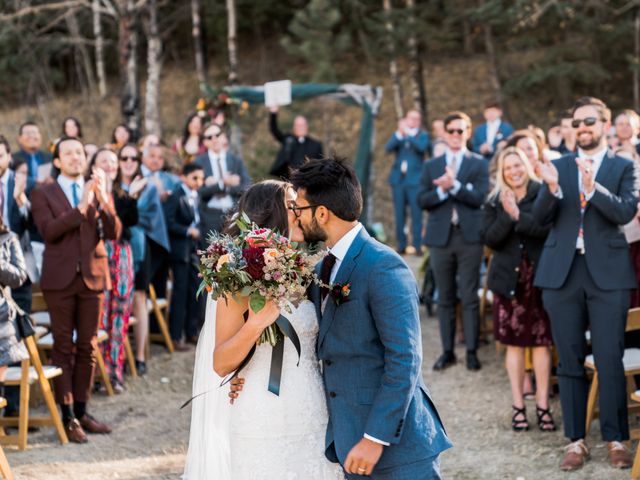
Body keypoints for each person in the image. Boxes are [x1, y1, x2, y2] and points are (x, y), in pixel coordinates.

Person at [534, 96, 638, 471]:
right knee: (571, 360)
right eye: (576, 122)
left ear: (605, 126)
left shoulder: (624, 166)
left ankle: (615, 438)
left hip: (609, 273)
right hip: (561, 274)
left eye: (589, 121)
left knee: (610, 358)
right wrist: (550, 189)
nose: (582, 127)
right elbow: (538, 219)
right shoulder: (555, 166)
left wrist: (593, 190)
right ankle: (575, 440)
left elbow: (626, 211)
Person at [31, 136, 122, 443]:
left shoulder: (96, 189)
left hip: (93, 278)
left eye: (80, 153)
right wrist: (83, 205)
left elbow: (113, 232)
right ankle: (66, 416)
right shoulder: (43, 192)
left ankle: (83, 412)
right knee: (63, 348)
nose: (75, 157)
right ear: (57, 161)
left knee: (87, 347)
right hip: (59, 280)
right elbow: (50, 231)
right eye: (68, 153)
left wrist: (105, 200)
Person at [483, 147, 555, 433]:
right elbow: (490, 240)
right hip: (508, 284)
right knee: (514, 344)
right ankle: (518, 405)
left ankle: (543, 405)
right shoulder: (493, 200)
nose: (514, 171)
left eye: (518, 165)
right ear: (502, 172)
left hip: (538, 281)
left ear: (526, 166)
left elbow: (546, 230)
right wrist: (507, 215)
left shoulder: (542, 193)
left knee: (541, 344)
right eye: (508, 167)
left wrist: (518, 216)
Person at [418, 111, 489, 372]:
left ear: (468, 132)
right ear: (444, 134)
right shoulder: (431, 166)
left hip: (469, 237)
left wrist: (455, 185)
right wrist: (440, 189)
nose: (456, 135)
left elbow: (481, 197)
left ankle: (471, 351)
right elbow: (422, 200)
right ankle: (448, 352)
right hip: (440, 238)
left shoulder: (479, 163)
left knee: (469, 296)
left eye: (461, 130)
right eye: (452, 131)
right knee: (444, 297)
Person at [90, 148, 139, 393]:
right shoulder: (88, 193)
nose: (110, 165)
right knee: (99, 312)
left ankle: (115, 371)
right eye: (104, 161)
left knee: (119, 312)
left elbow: (131, 221)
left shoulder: (122, 194)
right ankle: (97, 373)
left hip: (121, 255)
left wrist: (131, 198)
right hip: (96, 254)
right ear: (94, 165)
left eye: (113, 161)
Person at [117, 143, 164, 375]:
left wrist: (130, 202)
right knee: (120, 299)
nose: (128, 162)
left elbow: (144, 216)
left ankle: (140, 355)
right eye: (123, 158)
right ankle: (119, 353)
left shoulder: (149, 187)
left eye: (133, 158)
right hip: (116, 246)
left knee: (139, 298)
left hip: (140, 246)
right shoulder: (112, 186)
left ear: (138, 162)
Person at [164, 163, 205, 351]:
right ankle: (175, 336)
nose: (199, 182)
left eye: (201, 178)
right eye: (195, 178)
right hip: (180, 251)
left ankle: (191, 331)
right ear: (183, 177)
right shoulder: (176, 195)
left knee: (194, 290)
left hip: (193, 251)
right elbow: (169, 222)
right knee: (180, 294)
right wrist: (188, 231)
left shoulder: (195, 196)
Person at [194, 123, 251, 240]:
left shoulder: (235, 160)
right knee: (210, 256)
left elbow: (246, 186)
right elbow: (197, 191)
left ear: (223, 136)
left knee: (234, 255)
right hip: (209, 215)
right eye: (209, 137)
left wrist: (226, 187)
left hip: (233, 214)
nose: (214, 139)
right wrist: (222, 183)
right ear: (204, 142)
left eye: (217, 135)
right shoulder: (199, 162)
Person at [385, 109, 429, 255]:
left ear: (419, 121)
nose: (413, 121)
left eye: (416, 119)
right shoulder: (400, 135)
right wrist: (399, 133)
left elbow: (422, 148)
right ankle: (401, 244)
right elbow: (388, 148)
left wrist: (408, 134)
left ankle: (417, 245)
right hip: (398, 181)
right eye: (411, 118)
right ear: (406, 119)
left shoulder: (423, 135)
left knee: (417, 214)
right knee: (399, 214)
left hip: (415, 181)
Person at [268, 106, 323, 179]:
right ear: (294, 127)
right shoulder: (288, 140)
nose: (300, 127)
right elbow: (274, 130)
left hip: (309, 181)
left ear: (307, 126)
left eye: (302, 125)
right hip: (288, 179)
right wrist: (273, 113)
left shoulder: (316, 145)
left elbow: (321, 166)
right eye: (298, 125)